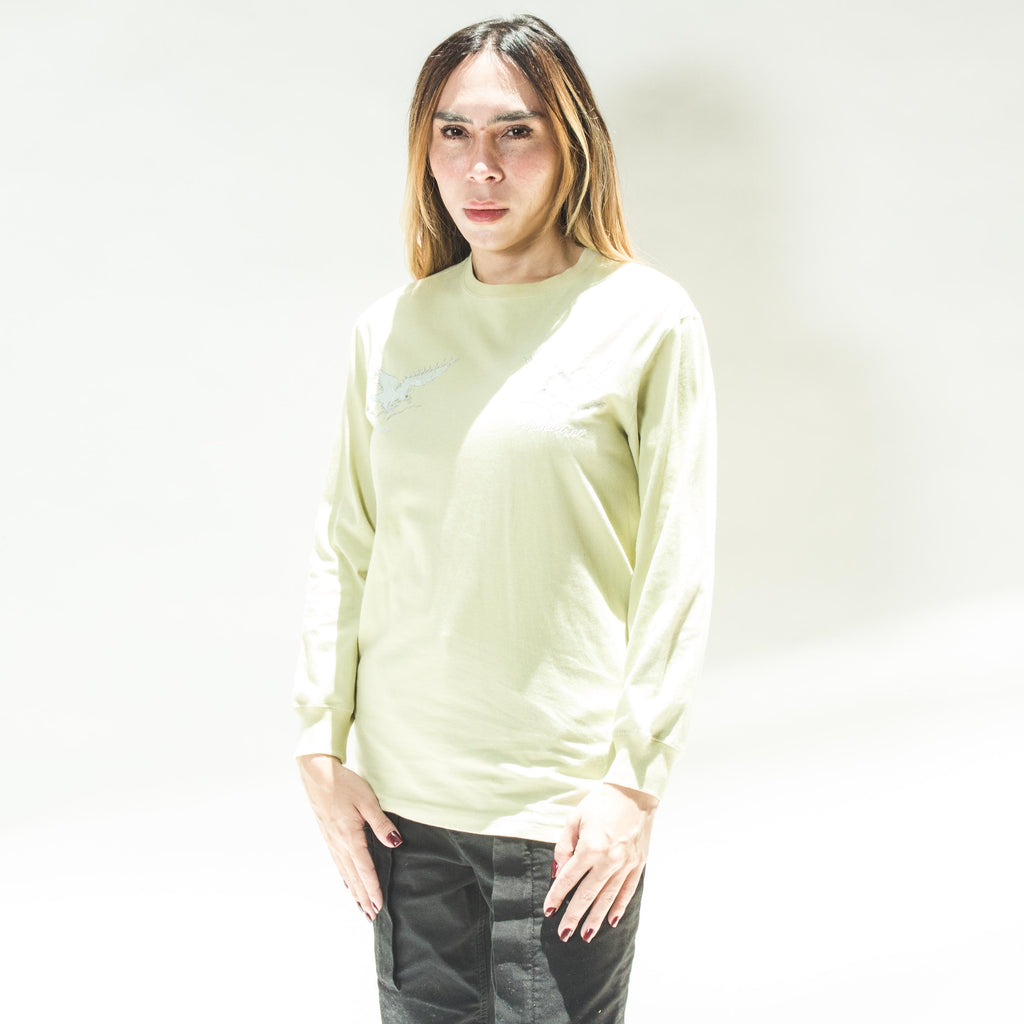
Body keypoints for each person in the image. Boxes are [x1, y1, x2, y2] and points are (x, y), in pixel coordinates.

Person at [292, 14, 716, 1023]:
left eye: (515, 132)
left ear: (571, 145)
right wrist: (320, 744)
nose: (480, 167)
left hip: (564, 817)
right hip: (403, 813)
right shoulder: (390, 329)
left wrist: (634, 785)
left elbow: (675, 563)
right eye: (454, 132)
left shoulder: (647, 320)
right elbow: (346, 542)